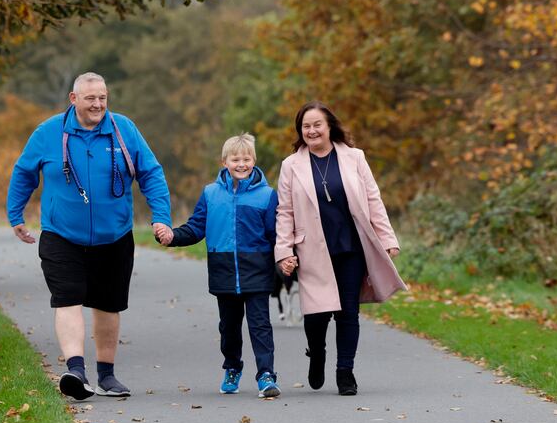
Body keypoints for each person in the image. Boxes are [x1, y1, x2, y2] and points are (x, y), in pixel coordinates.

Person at [6, 72, 172, 400]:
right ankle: (76, 371)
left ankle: (107, 376)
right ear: (73, 99)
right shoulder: (48, 132)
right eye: (90, 98)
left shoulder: (124, 130)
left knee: (108, 306)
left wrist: (161, 218)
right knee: (67, 299)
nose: (97, 104)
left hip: (115, 235)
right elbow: (24, 173)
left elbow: (151, 173)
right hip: (61, 234)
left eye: (102, 98)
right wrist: (16, 214)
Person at [275, 101, 406, 396]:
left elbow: (373, 199)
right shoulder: (290, 165)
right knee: (316, 313)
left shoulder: (354, 158)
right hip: (312, 250)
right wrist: (283, 251)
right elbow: (285, 211)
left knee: (348, 312)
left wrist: (387, 240)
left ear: (330, 126)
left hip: (351, 247)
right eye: (305, 126)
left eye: (317, 125)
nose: (311, 131)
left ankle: (345, 371)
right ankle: (317, 353)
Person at [156, 133, 281, 398]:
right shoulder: (211, 194)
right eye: (235, 159)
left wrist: (285, 258)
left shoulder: (267, 195)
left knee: (260, 325)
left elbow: (275, 234)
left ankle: (266, 375)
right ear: (225, 162)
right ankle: (232, 367)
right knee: (229, 328)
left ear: (254, 161)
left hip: (257, 269)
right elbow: (196, 227)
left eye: (246, 159)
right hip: (223, 270)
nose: (241, 164)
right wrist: (172, 236)